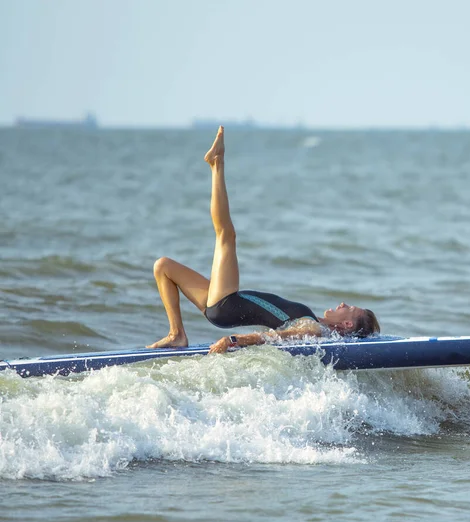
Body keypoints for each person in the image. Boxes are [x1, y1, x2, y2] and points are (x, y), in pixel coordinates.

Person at [148, 126, 380, 354]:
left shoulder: (314, 328)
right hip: (222, 305)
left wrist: (234, 340)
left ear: (348, 324)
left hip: (227, 303)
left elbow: (274, 337)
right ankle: (176, 334)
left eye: (349, 308)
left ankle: (217, 164)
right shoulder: (313, 321)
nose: (342, 304)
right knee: (163, 266)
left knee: (226, 235)